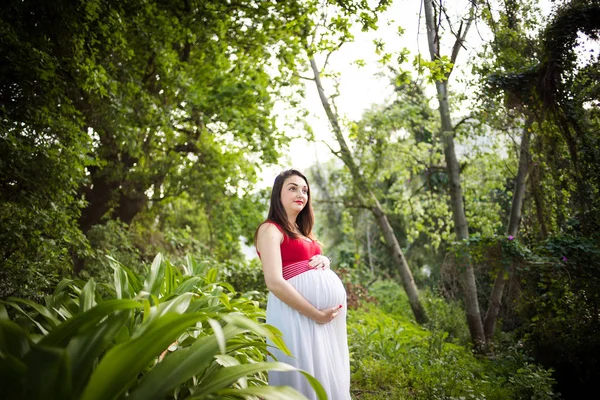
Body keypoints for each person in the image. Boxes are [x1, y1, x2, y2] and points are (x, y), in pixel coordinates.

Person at [254, 169, 350, 400]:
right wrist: (315, 313)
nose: (301, 194)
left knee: (325, 371)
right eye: (293, 188)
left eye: (305, 190)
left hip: (322, 321)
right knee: (304, 372)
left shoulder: (303, 232)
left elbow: (308, 262)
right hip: (295, 315)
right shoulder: (270, 229)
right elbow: (275, 282)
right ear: (278, 194)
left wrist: (325, 261)